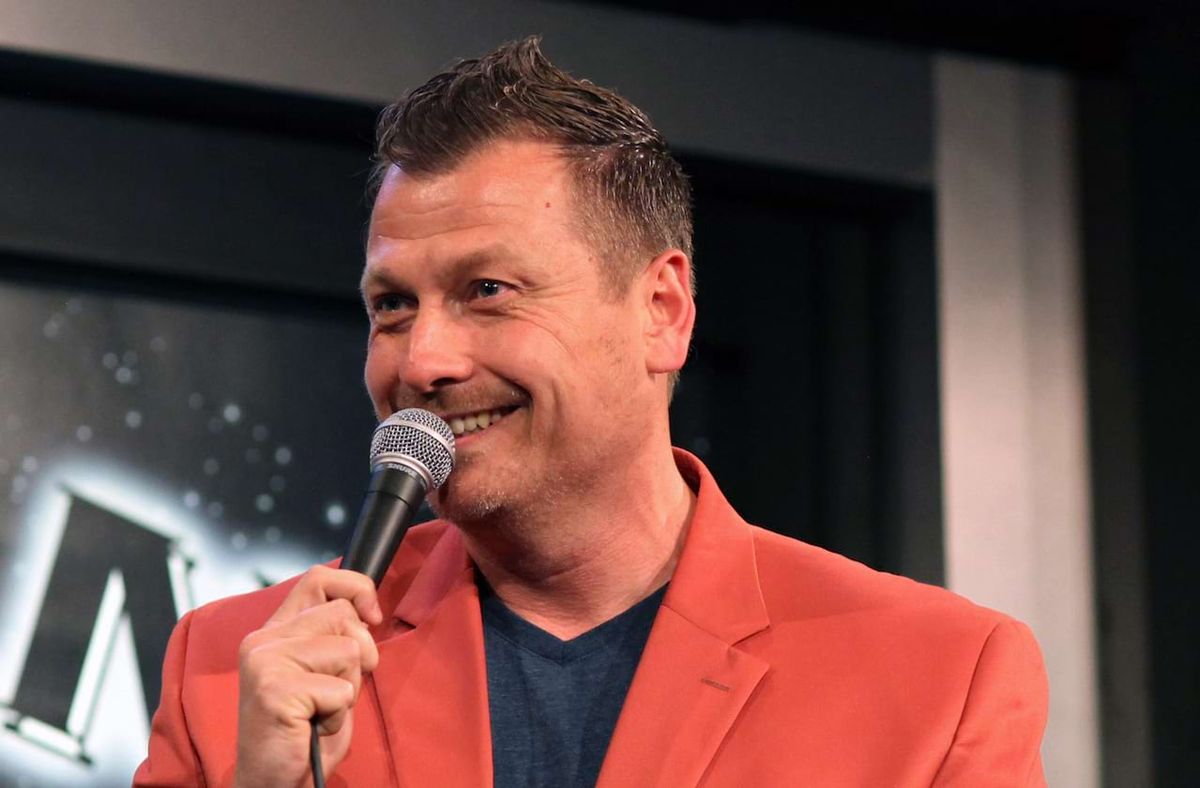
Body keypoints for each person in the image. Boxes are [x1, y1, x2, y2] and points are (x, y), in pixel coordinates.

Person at [135, 37, 1048, 787]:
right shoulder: (231, 668)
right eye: (393, 305)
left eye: (488, 290)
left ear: (662, 312)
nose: (423, 361)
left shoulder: (939, 679)